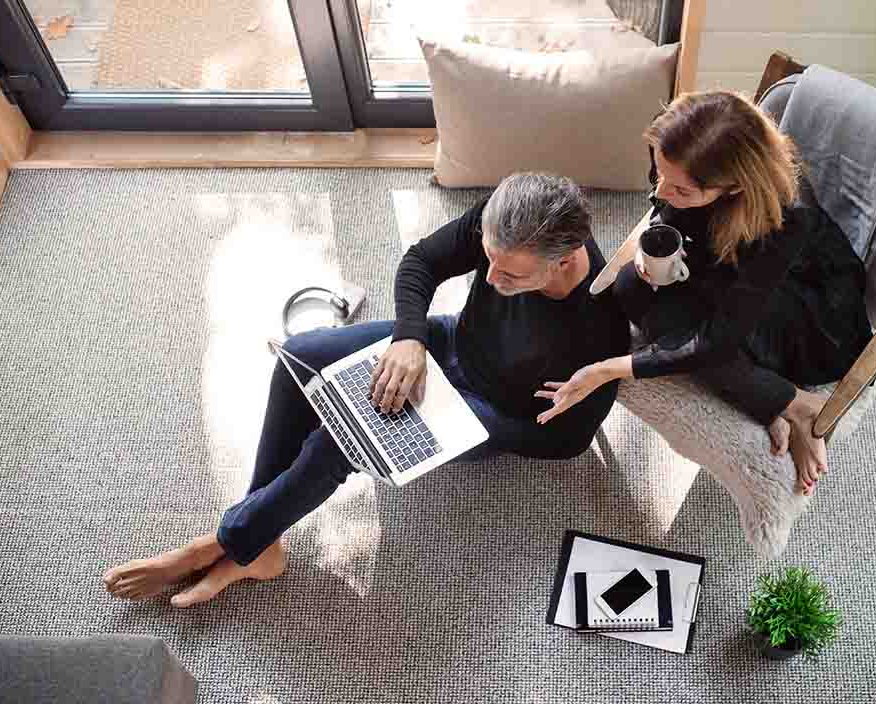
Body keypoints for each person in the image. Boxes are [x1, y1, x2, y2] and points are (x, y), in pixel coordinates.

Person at [102, 173, 629, 607]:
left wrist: (464, 427)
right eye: (488, 258)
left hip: (492, 409)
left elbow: (568, 440)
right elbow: (422, 262)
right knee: (301, 355)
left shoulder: (597, 325)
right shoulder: (509, 215)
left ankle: (226, 542)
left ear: (565, 259)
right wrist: (409, 339)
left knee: (342, 437)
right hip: (454, 343)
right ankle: (260, 544)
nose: (490, 277)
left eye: (510, 275)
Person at [534, 91, 872, 496]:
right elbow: (667, 208)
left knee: (705, 343)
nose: (660, 192)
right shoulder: (679, 152)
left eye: (680, 189)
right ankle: (783, 402)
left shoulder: (786, 219)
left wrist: (609, 368)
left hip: (802, 309)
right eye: (660, 173)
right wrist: (658, 237)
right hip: (727, 268)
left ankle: (796, 403)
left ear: (732, 188)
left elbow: (716, 341)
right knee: (628, 285)